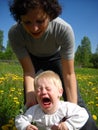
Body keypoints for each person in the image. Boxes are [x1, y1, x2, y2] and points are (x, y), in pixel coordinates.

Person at [8, 0, 98, 129]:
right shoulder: (15, 33)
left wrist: (70, 116)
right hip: (33, 61)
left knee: (77, 106)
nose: (34, 28)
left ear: (50, 15)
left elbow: (68, 74)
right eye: (27, 22)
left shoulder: (63, 29)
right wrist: (30, 96)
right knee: (33, 102)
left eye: (40, 21)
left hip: (57, 58)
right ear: (20, 19)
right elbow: (29, 72)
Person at [15, 70, 89, 130]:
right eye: (39, 90)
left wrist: (68, 125)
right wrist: (26, 126)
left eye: (48, 89)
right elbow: (19, 119)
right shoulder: (34, 110)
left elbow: (83, 114)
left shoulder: (66, 107)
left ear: (60, 92)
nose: (43, 92)